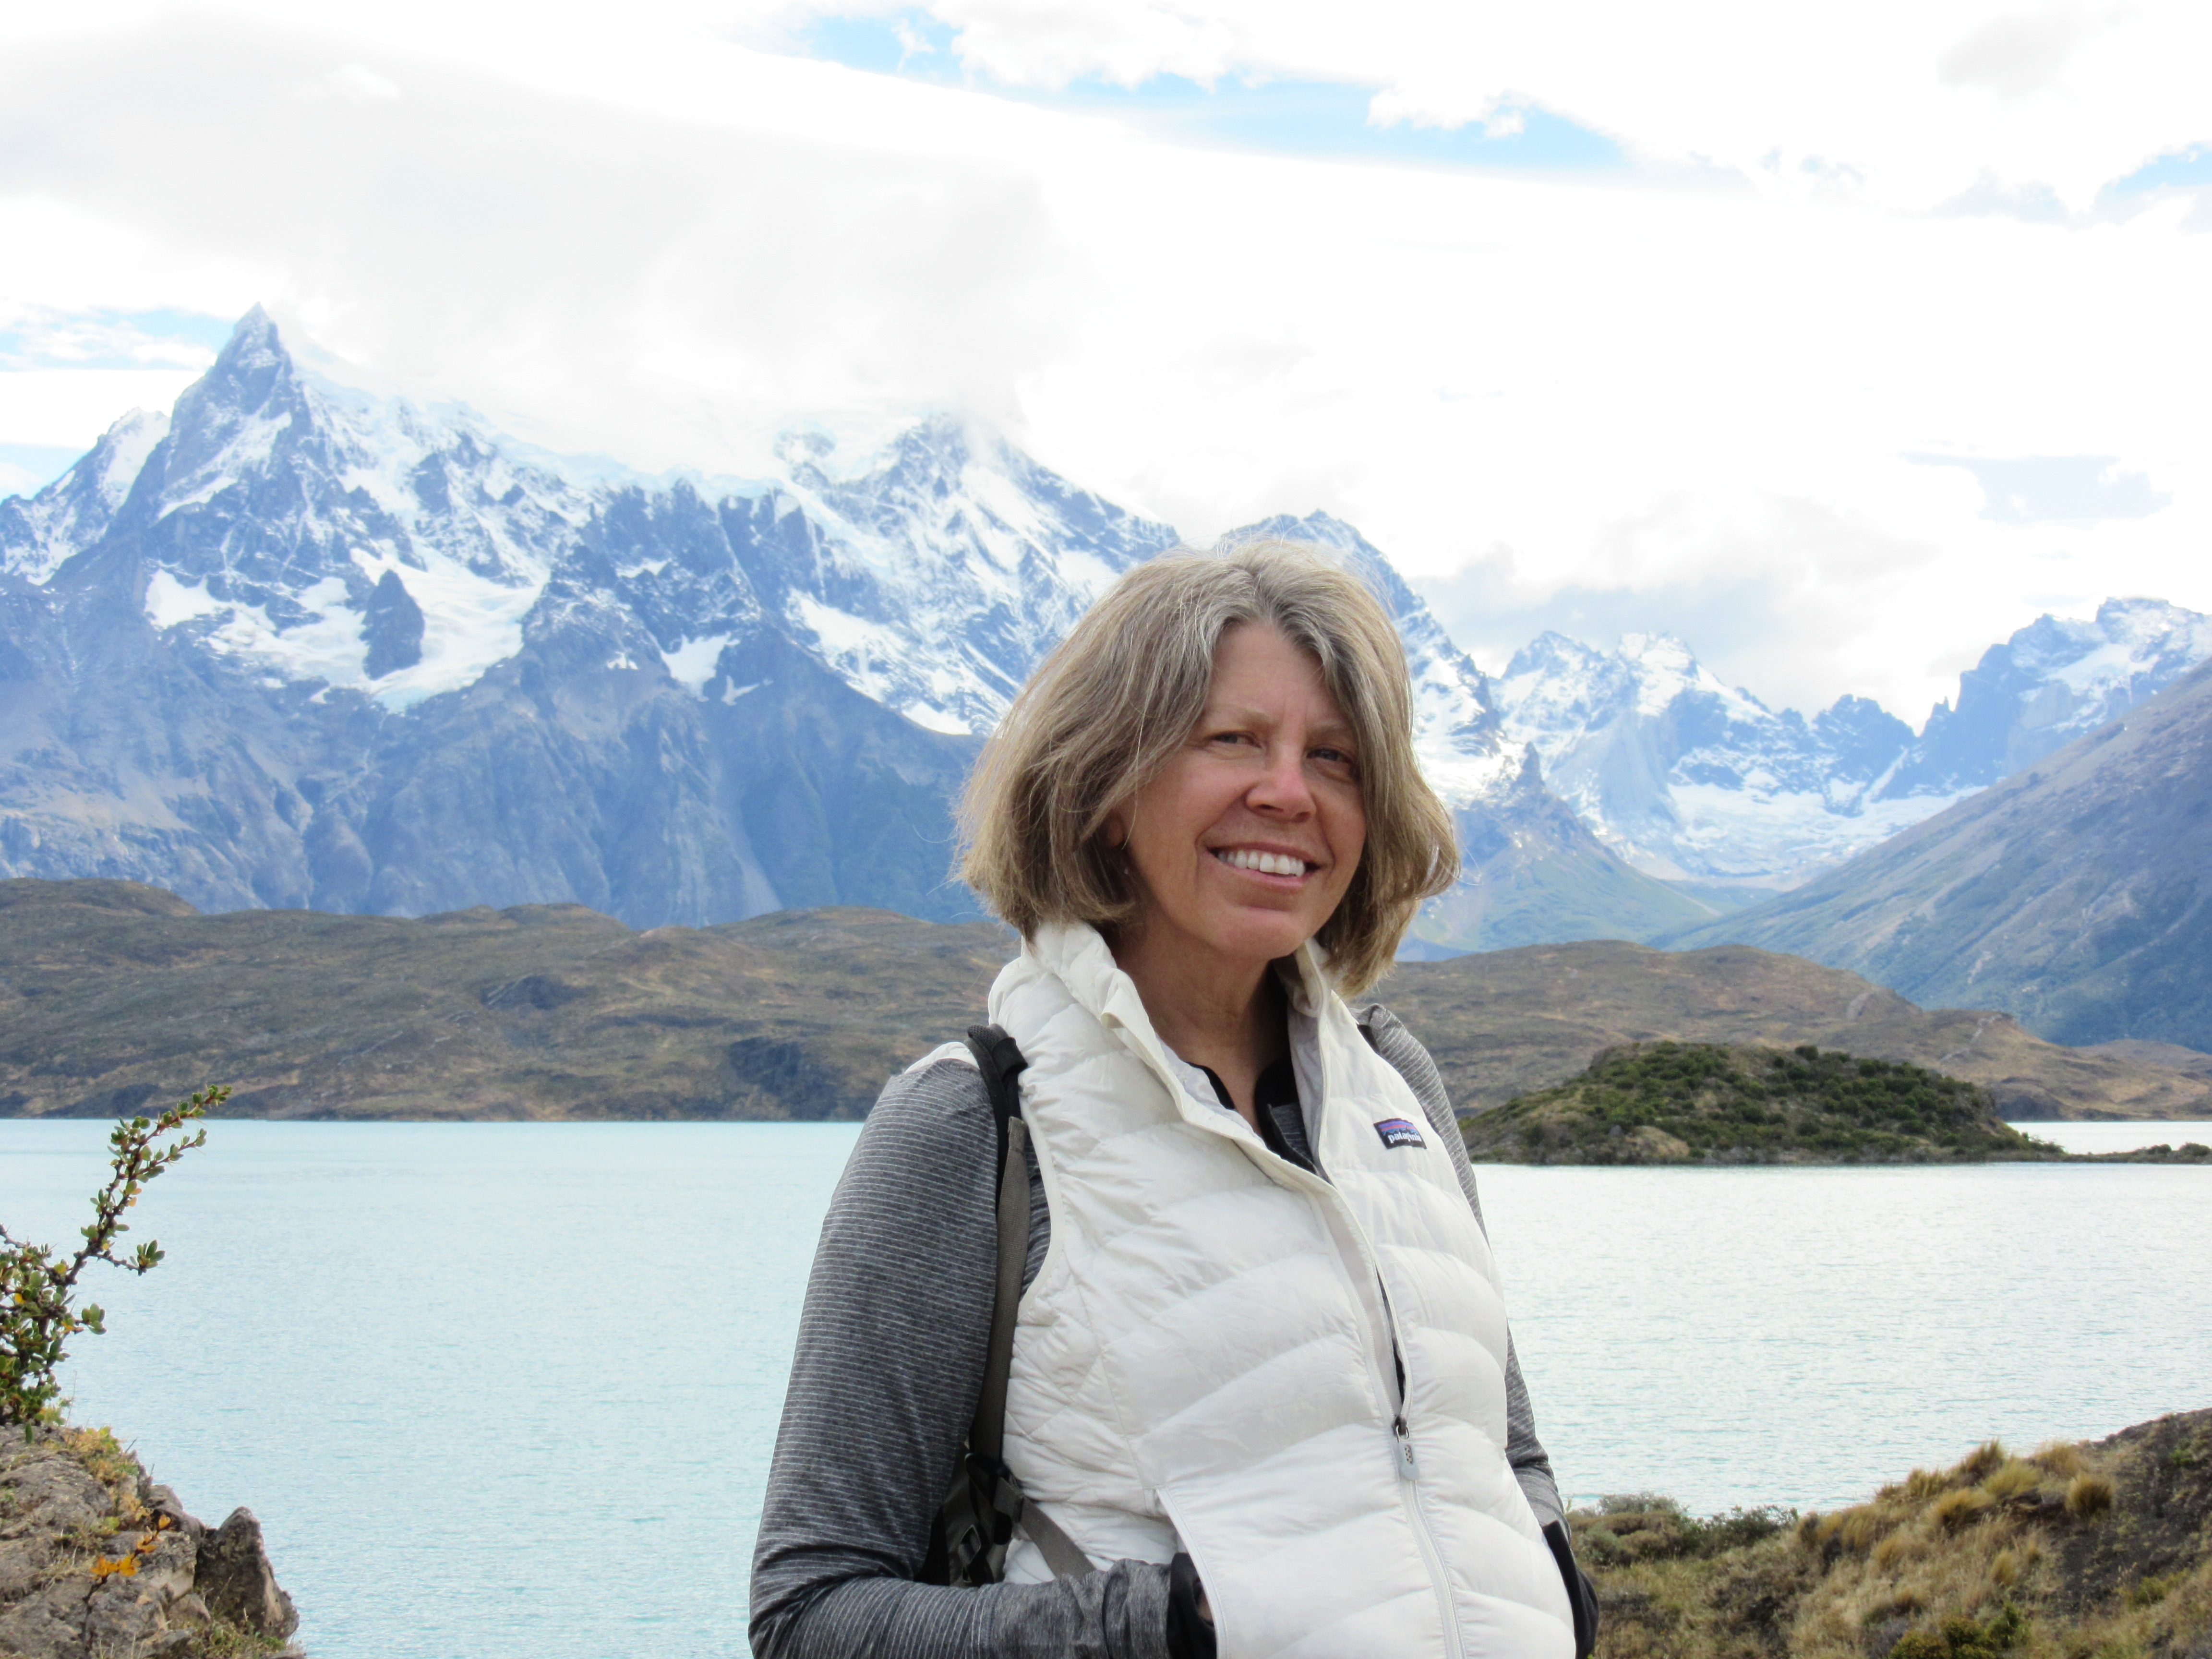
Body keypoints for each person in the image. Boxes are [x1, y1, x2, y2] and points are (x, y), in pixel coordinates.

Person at [750, 541, 1596, 1659]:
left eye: (1335, 758)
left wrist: (1555, 1588)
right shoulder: (974, 1128)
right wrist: (1167, 1626)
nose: (1288, 792)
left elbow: (1497, 1450)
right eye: (1232, 739)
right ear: (1107, 787)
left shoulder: (1399, 1087)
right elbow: (810, 1613)